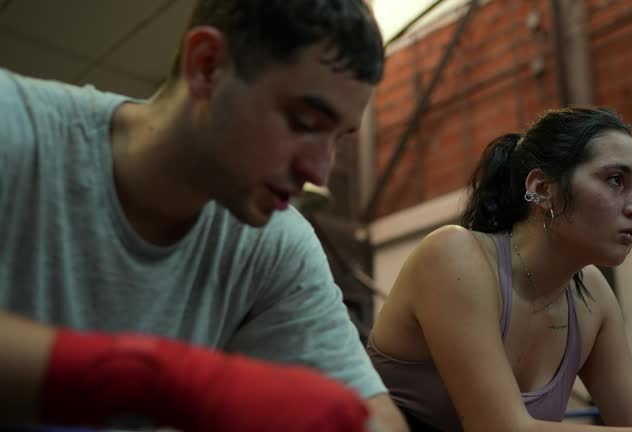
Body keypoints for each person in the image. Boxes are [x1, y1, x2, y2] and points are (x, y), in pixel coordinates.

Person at [0, 1, 408, 431]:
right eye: (303, 122)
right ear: (207, 66)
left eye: (336, 138)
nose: (318, 171)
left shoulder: (275, 241)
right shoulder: (15, 127)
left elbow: (377, 420)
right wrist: (155, 380)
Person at [366, 107, 632, 432]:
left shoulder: (591, 295)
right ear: (542, 189)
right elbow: (502, 429)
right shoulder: (453, 255)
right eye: (615, 180)